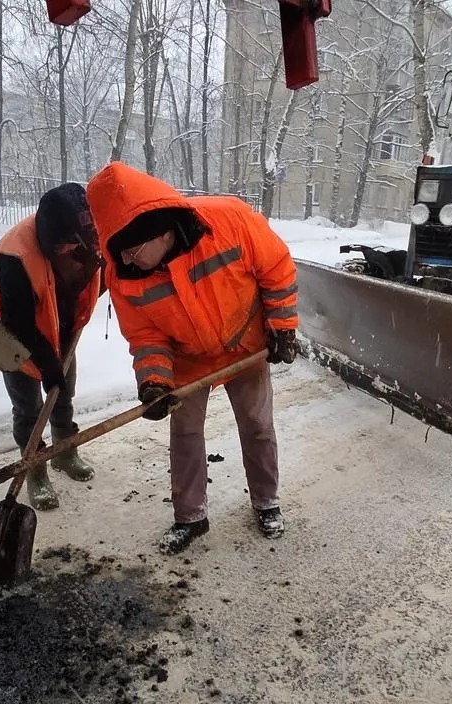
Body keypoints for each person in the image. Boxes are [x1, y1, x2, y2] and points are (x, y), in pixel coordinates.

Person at [84, 162, 300, 554]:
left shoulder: (230, 221)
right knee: (184, 434)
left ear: (161, 232)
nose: (127, 260)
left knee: (256, 424)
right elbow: (146, 336)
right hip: (187, 358)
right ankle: (190, 516)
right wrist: (154, 382)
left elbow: (277, 268)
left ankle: (266, 502)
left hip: (245, 342)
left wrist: (282, 326)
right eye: (121, 252)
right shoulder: (123, 272)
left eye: (133, 250)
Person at [0, 183, 105, 510]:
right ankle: (35, 469)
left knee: (63, 397)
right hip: (15, 340)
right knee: (29, 410)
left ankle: (65, 453)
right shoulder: (15, 256)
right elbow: (18, 324)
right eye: (65, 246)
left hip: (61, 328)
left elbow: (99, 277)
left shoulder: (87, 237)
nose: (71, 251)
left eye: (75, 245)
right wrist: (48, 365)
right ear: (51, 239)